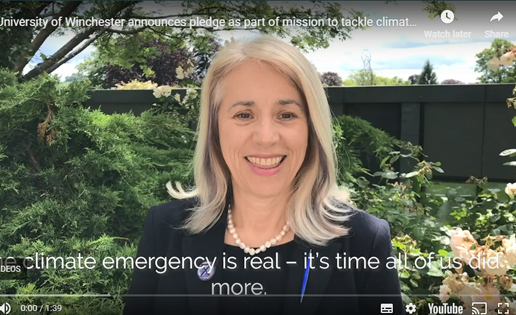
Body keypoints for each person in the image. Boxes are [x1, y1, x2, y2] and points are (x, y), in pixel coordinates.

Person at [123, 35, 404, 315]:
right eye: (244, 115)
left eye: (286, 114)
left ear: (311, 129)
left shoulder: (365, 242)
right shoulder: (164, 229)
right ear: (215, 130)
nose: (266, 138)